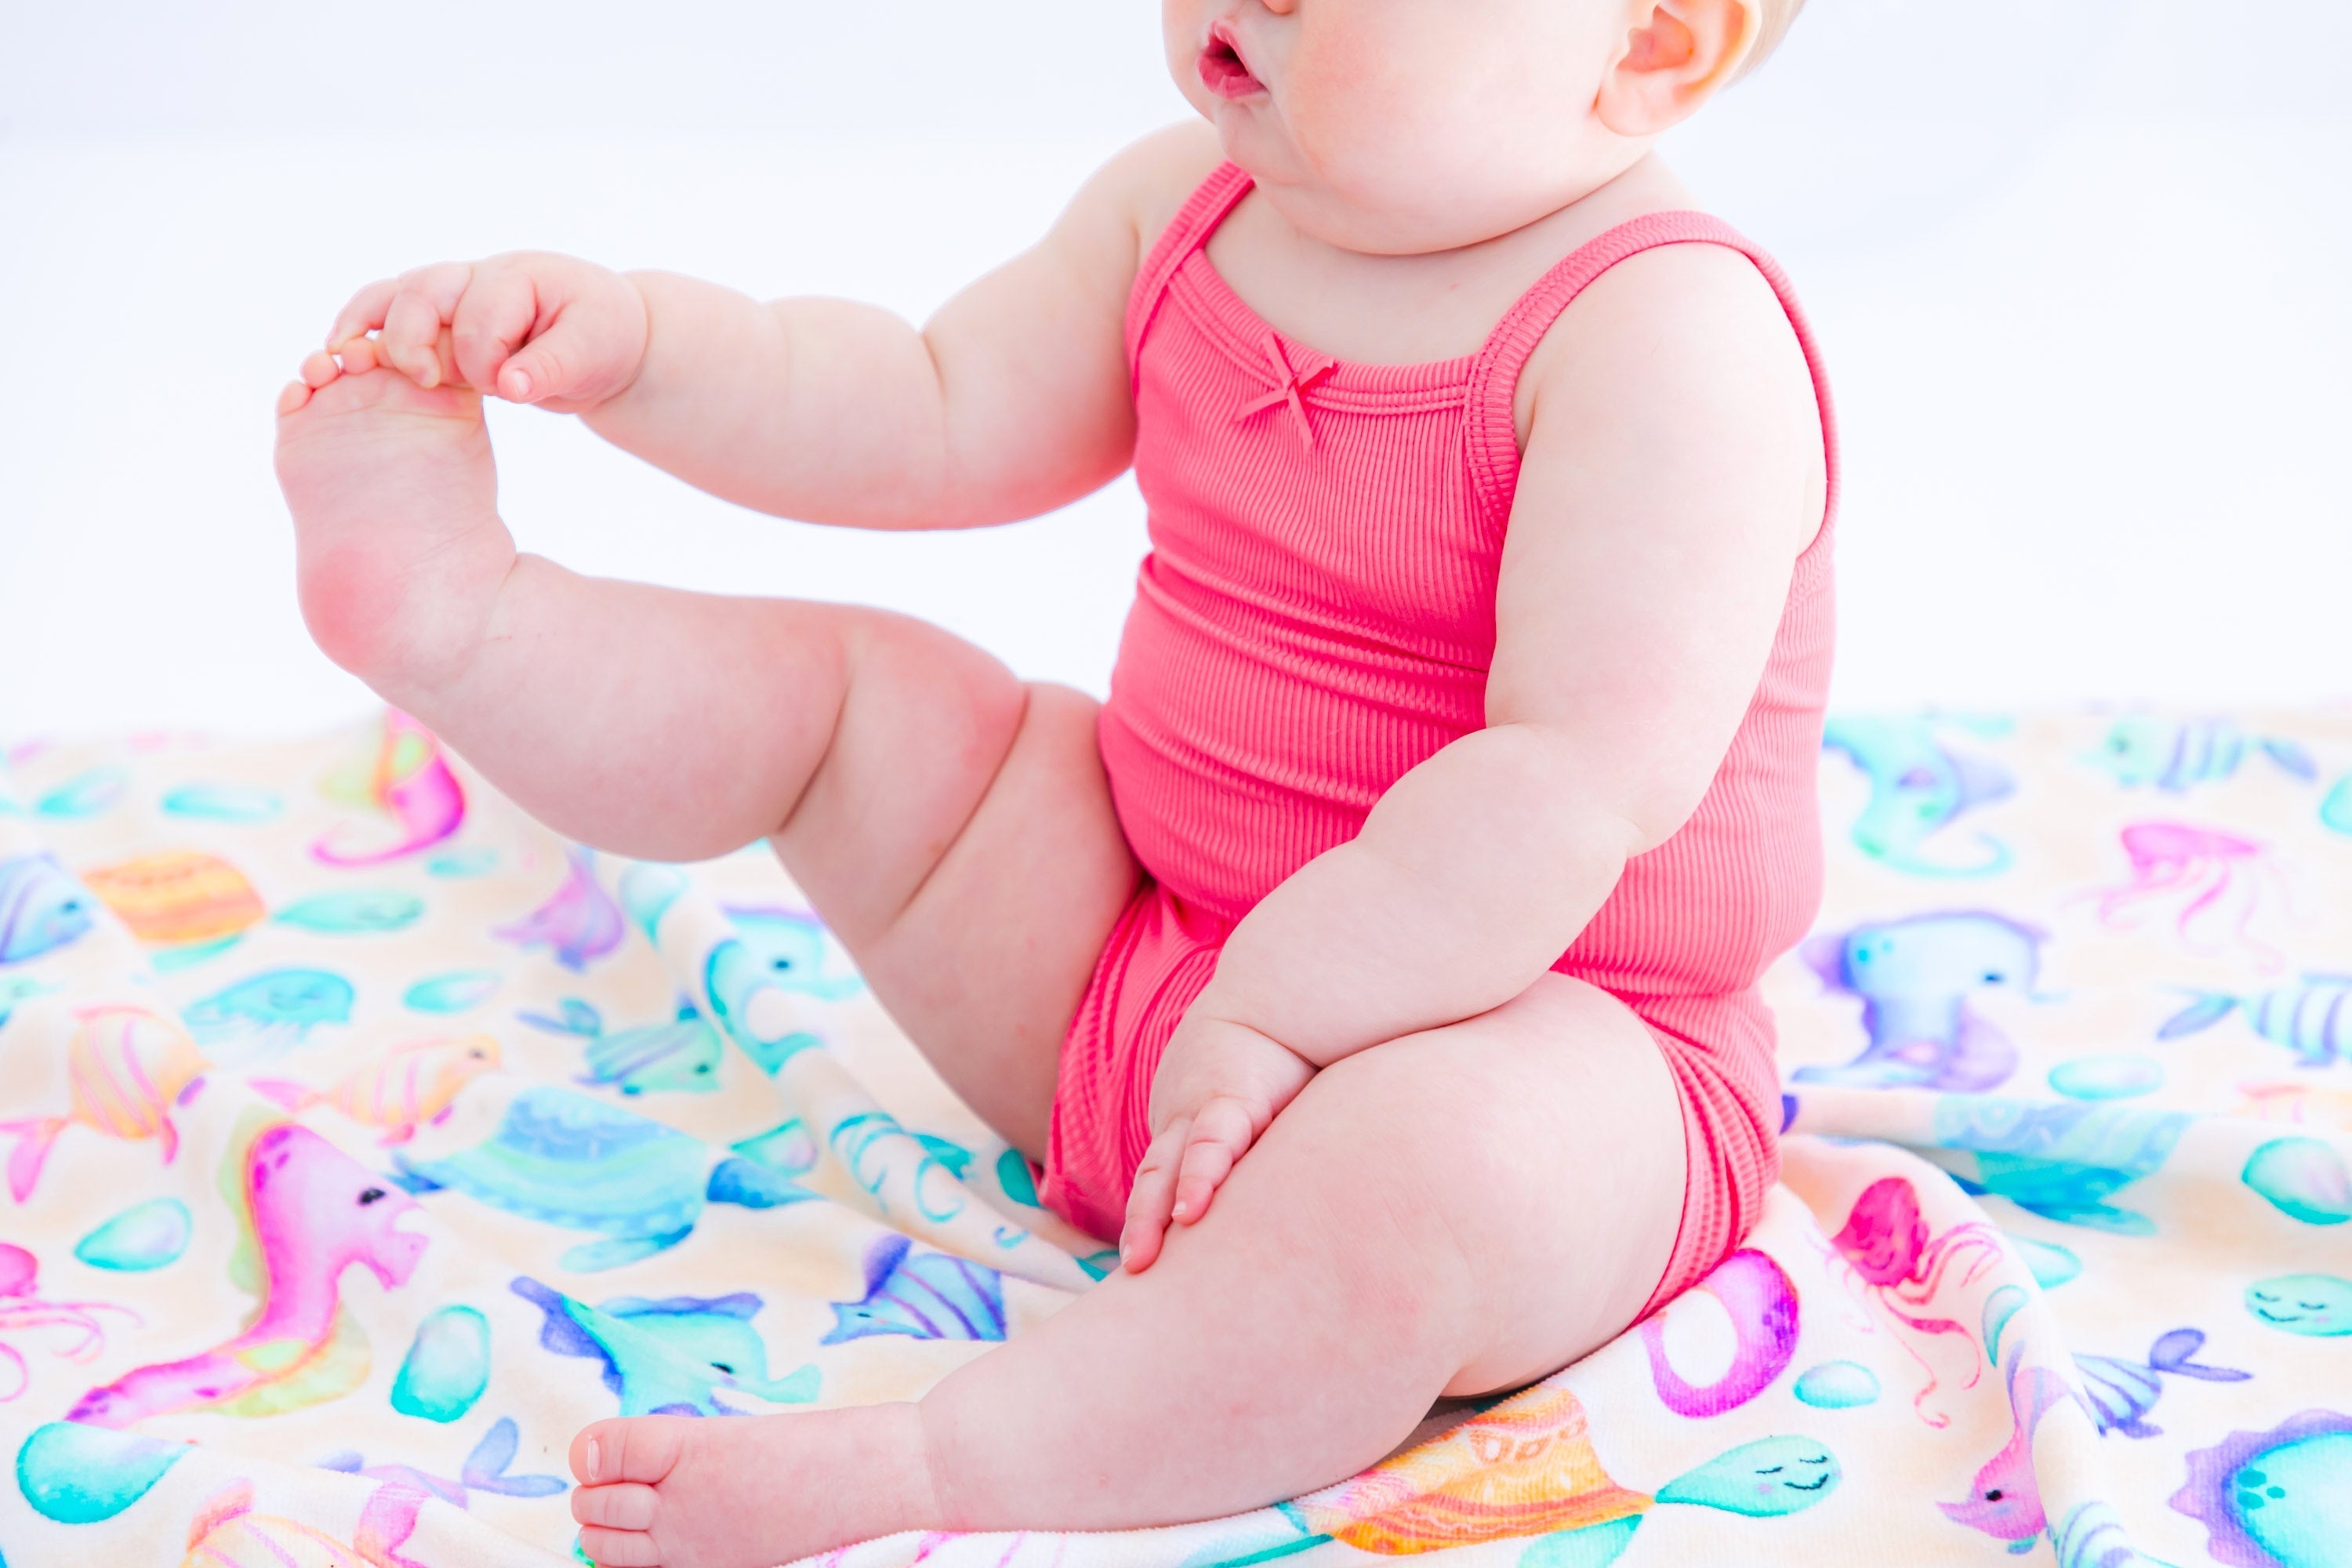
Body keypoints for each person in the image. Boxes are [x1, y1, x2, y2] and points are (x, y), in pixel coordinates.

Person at [272, 1, 1831, 1562]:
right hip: (1134, 983)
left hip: (1563, 1045)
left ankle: (956, 1461)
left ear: (1655, 43)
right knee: (869, 709)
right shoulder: (1186, 204)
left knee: (1444, 1160)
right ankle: (462, 616)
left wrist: (1285, 1015)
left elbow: (1570, 781)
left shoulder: (1669, 341)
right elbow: (929, 405)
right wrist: (647, 349)